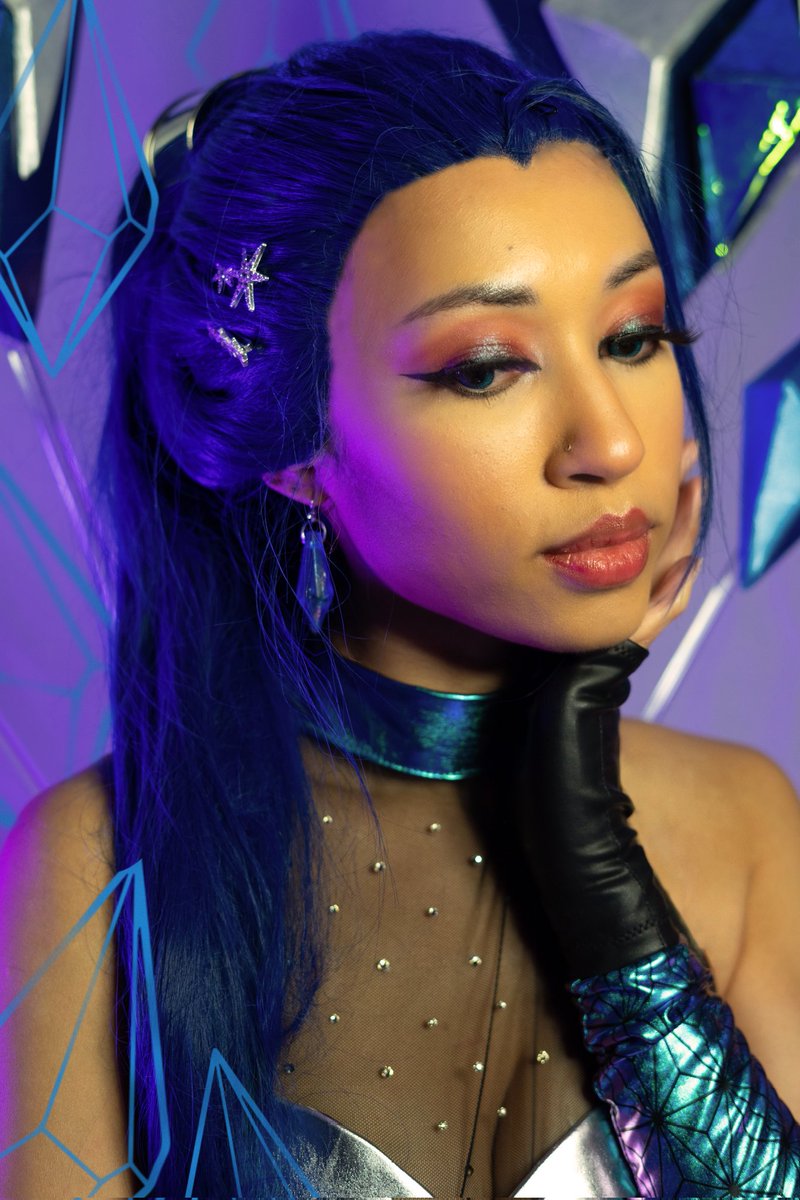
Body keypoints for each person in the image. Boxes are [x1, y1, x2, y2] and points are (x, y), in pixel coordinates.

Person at [1, 27, 799, 1200]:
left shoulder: (742, 822)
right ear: (291, 449)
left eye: (630, 338)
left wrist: (590, 849)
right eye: (484, 367)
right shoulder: (95, 863)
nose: (610, 442)